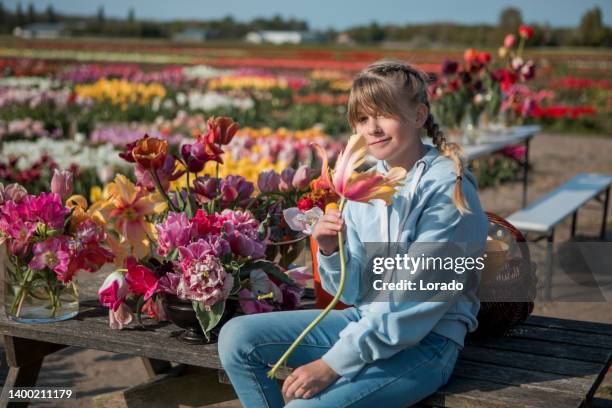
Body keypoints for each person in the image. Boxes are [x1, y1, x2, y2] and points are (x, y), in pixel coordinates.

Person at [218, 60, 489, 407]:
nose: (372, 129)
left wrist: (331, 364)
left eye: (384, 114)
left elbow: (413, 304)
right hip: (366, 321)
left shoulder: (448, 190)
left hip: (428, 340)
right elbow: (354, 290)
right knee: (237, 338)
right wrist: (331, 250)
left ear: (420, 115)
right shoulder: (365, 183)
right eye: (362, 119)